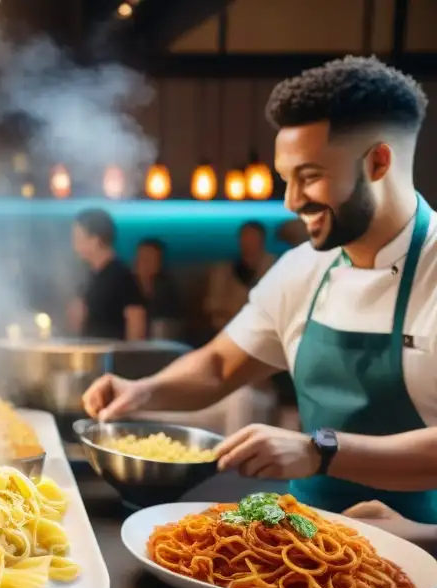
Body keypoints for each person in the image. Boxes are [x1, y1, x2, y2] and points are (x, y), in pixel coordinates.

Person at [83, 55, 437, 522]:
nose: (291, 201)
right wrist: (144, 392)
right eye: (286, 179)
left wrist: (320, 451)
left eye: (309, 176)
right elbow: (218, 366)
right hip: (303, 542)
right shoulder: (302, 269)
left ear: (378, 162)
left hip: (420, 553)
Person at [66, 208, 146, 340]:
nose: (74, 245)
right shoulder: (88, 277)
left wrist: (130, 357)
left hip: (114, 356)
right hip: (90, 355)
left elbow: (136, 321)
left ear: (95, 240)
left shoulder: (121, 276)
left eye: (78, 238)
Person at [203, 221, 277, 332]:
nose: (248, 242)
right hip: (229, 329)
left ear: (262, 240)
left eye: (253, 238)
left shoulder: (276, 267)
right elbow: (212, 304)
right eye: (244, 237)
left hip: (266, 329)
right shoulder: (223, 270)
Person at [132, 237, 184, 338]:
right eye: (142, 258)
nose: (145, 264)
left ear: (159, 263)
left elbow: (167, 325)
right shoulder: (125, 284)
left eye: (150, 259)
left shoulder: (169, 290)